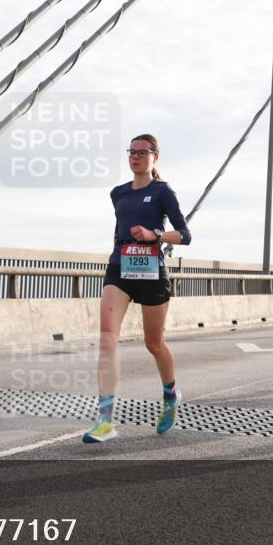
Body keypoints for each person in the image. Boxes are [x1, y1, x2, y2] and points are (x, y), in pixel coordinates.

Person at [83, 134, 191, 443]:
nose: (136, 156)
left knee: (153, 343)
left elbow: (185, 235)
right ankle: (105, 420)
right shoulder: (118, 193)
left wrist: (153, 234)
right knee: (106, 339)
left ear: (155, 157)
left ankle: (170, 395)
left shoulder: (162, 191)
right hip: (120, 267)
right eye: (132, 151)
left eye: (143, 152)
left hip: (151, 271)